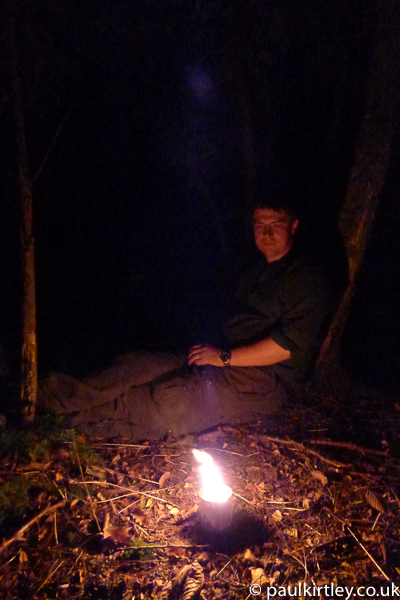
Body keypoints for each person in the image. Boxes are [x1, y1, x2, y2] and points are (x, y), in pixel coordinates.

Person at [40, 201, 333, 440]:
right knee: (137, 365)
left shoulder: (306, 278)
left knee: (166, 401)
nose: (266, 233)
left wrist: (224, 357)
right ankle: (43, 402)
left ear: (293, 226)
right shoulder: (253, 272)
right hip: (220, 357)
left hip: (263, 381)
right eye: (260, 226)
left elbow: (287, 347)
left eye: (276, 225)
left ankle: (63, 428)